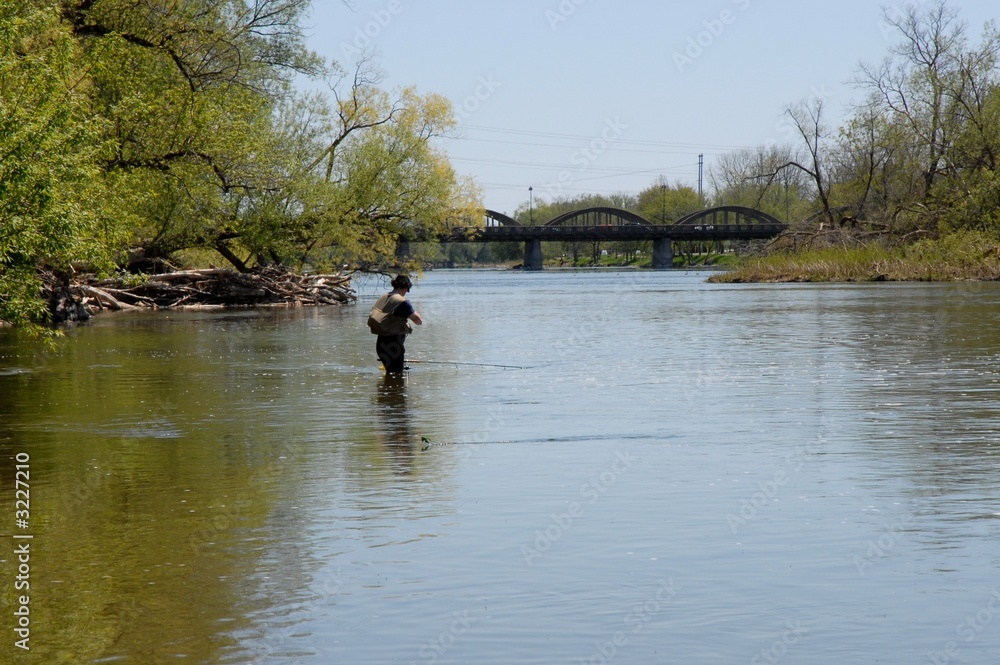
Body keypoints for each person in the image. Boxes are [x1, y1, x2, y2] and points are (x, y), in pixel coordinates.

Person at [373, 274, 423, 373]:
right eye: (407, 290)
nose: (406, 293)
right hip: (394, 346)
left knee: (390, 374)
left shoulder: (384, 297)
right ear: (406, 287)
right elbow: (417, 319)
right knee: (398, 376)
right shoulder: (402, 301)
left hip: (380, 344)